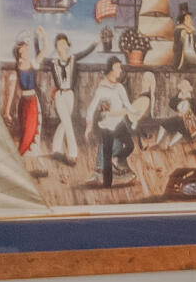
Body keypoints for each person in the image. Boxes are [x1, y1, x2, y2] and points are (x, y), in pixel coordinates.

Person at [87, 61, 137, 189]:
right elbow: (92, 108)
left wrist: (135, 111)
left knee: (130, 146)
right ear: (111, 70)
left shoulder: (119, 87)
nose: (120, 70)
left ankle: (116, 158)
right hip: (107, 126)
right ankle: (107, 184)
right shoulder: (101, 89)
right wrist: (89, 125)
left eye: (120, 67)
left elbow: (127, 103)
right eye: (118, 68)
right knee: (106, 155)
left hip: (119, 124)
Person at [43, 33, 81, 162]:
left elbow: (86, 52)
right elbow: (39, 54)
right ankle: (73, 153)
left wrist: (96, 42)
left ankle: (56, 149)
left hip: (70, 94)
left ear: (68, 45)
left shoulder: (73, 59)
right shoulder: (53, 62)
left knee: (64, 123)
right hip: (59, 95)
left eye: (64, 43)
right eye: (59, 44)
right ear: (56, 47)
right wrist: (41, 37)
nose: (62, 46)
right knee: (68, 124)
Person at [3, 39, 40, 154]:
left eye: (27, 50)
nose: (26, 53)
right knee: (26, 132)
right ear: (19, 54)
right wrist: (7, 111)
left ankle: (29, 157)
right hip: (24, 103)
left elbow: (43, 51)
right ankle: (20, 157)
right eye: (23, 51)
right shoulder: (16, 71)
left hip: (34, 101)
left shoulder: (33, 64)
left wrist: (41, 35)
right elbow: (11, 91)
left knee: (34, 129)